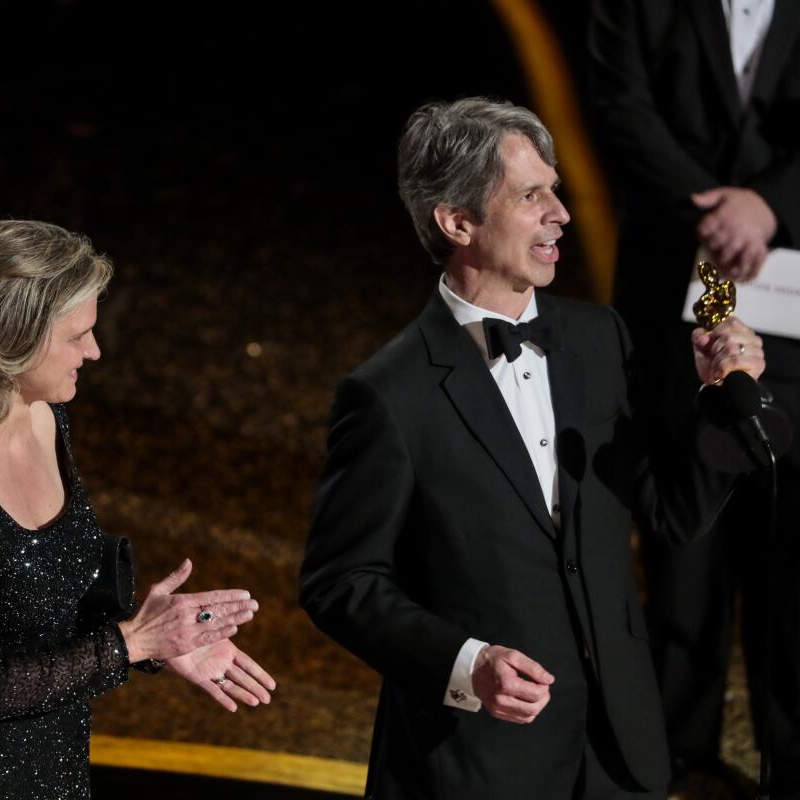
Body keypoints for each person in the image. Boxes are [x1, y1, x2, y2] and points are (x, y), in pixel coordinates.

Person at [299, 97, 766, 800]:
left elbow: (670, 513)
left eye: (555, 189)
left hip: (617, 754)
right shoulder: (388, 394)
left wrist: (720, 409)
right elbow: (341, 583)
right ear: (457, 222)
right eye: (530, 195)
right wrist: (467, 664)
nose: (562, 213)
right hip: (477, 765)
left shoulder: (600, 341)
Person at [0, 220, 276, 799]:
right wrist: (132, 643)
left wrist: (162, 637)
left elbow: (49, 591)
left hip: (58, 771)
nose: (94, 352)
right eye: (76, 336)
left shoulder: (46, 418)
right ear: (14, 338)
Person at [587, 3, 800, 796]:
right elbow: (619, 105)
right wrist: (712, 209)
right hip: (675, 281)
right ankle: (676, 752)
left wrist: (769, 204)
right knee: (682, 531)